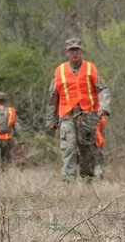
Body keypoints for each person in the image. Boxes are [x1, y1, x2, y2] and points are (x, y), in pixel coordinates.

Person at [45, 38, 110, 182]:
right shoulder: (60, 71)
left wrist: (104, 106)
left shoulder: (91, 68)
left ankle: (87, 182)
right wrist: (51, 119)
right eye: (71, 50)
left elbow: (103, 89)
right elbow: (53, 97)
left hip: (88, 118)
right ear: (66, 53)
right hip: (67, 117)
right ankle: (68, 183)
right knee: (69, 148)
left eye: (77, 49)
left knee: (88, 152)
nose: (74, 53)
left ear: (82, 52)